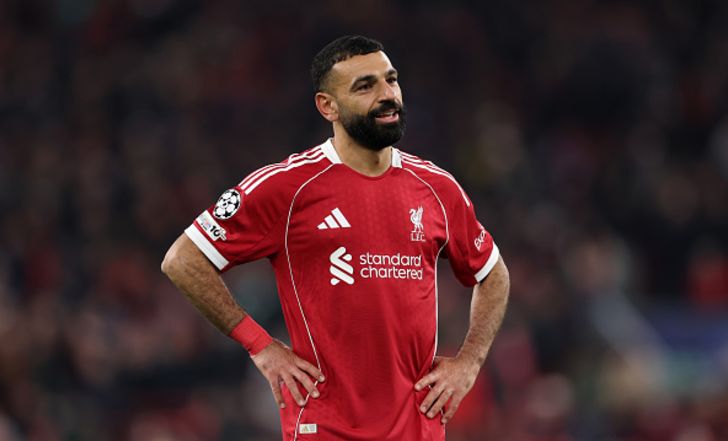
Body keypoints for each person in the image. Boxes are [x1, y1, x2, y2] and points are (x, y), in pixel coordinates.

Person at [161, 35, 510, 441]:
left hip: (418, 428)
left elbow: (493, 273)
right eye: (365, 86)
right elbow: (183, 260)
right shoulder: (288, 187)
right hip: (326, 427)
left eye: (391, 80)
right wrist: (261, 345)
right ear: (328, 106)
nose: (387, 95)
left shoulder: (436, 188)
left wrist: (469, 362)